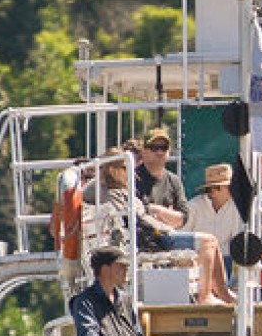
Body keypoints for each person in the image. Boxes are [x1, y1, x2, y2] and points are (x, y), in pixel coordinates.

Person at [93, 147, 232, 304]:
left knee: (211, 241)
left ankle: (223, 293)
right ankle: (206, 296)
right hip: (154, 239)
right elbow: (139, 221)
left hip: (154, 235)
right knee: (209, 241)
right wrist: (163, 226)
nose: (133, 174)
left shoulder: (120, 193)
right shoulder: (116, 195)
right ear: (114, 170)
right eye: (126, 169)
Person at [183, 161, 243, 255]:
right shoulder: (193, 207)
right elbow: (183, 239)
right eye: (228, 186)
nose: (233, 189)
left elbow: (237, 242)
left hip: (227, 261)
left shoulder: (237, 207)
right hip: (197, 261)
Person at [134, 128, 188, 218]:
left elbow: (183, 217)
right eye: (154, 148)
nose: (159, 152)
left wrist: (155, 210)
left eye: (164, 148)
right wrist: (169, 214)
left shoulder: (174, 181)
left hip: (169, 232)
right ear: (143, 150)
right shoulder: (131, 178)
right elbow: (135, 217)